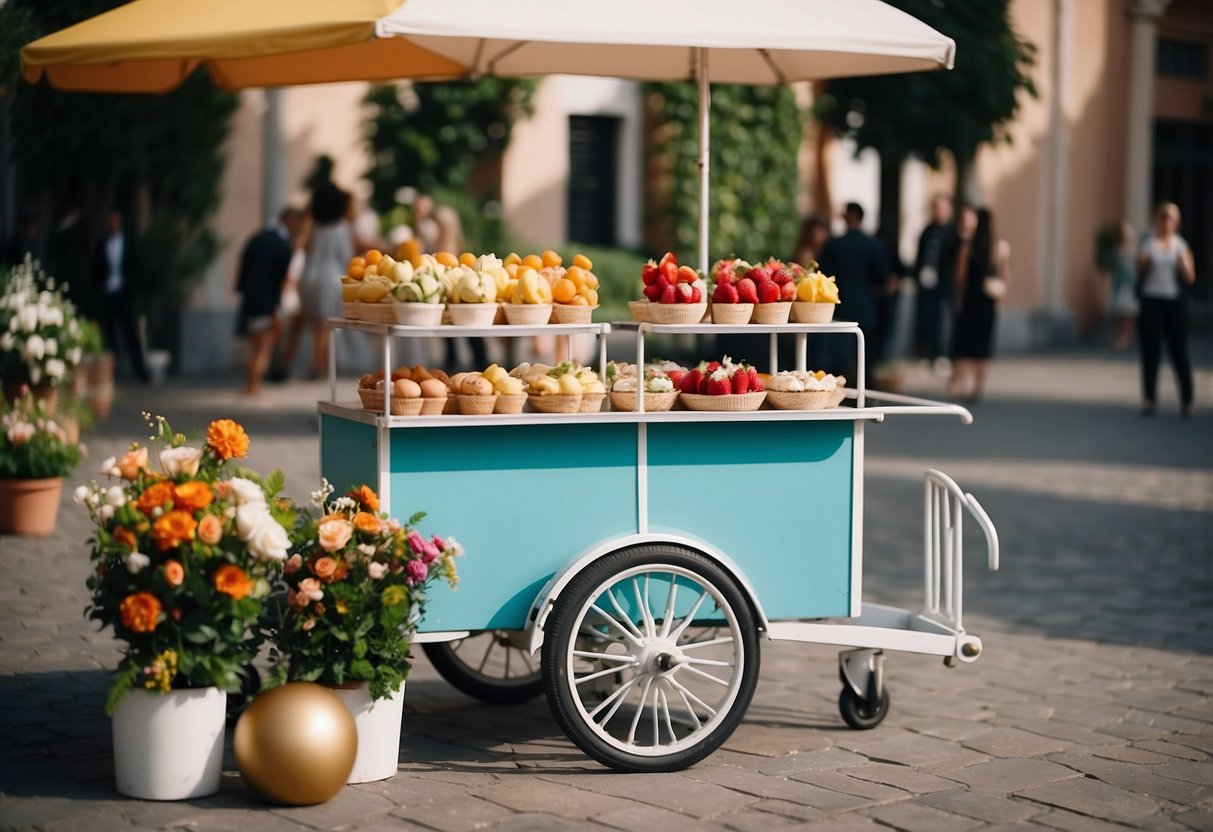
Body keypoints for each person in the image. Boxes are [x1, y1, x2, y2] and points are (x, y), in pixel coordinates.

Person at [278, 184, 356, 379]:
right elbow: (346, 256)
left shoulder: (313, 226)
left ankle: (285, 363)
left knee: (304, 321)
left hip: (308, 278)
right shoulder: (342, 228)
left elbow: (303, 248)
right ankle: (319, 365)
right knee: (324, 326)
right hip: (330, 279)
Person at [235, 207, 303, 396]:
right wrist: (278, 306)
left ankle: (250, 384)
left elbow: (243, 267)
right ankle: (254, 386)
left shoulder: (257, 238)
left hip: (250, 300)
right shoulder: (282, 246)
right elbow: (282, 280)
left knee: (253, 346)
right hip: (269, 302)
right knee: (263, 348)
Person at [1136, 202, 1196, 417]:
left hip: (1173, 302)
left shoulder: (1181, 245)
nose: (1166, 222)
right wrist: (1143, 263)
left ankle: (1187, 400)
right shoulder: (1148, 244)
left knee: (1179, 351)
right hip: (1152, 300)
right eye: (1162, 217)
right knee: (1151, 350)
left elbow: (1190, 277)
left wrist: (1182, 264)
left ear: (1176, 222)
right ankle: (1149, 399)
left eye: (1170, 218)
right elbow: (1138, 270)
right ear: (1157, 219)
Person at [946, 206, 1010, 403]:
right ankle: (978, 388)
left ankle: (960, 384)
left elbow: (960, 277)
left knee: (964, 344)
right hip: (988, 301)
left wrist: (958, 298)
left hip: (970, 300)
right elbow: (1005, 277)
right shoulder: (1000, 247)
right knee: (983, 346)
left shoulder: (968, 245)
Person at [818, 202, 886, 380]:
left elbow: (822, 274)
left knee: (839, 357)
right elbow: (882, 277)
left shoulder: (834, 245)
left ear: (850, 216)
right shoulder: (873, 245)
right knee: (865, 357)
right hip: (865, 306)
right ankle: (865, 395)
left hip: (839, 306)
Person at [90, 210, 149, 383]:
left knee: (131, 334)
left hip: (124, 296)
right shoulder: (102, 244)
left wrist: (133, 293)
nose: (112, 224)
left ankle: (140, 371)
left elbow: (135, 268)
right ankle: (111, 374)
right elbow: (97, 270)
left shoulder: (129, 242)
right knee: (109, 337)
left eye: (115, 221)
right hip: (108, 294)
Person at [913, 195, 954, 368]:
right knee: (927, 318)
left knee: (944, 319)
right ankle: (928, 353)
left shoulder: (952, 231)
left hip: (945, 283)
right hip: (926, 281)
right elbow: (920, 256)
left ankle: (943, 354)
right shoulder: (927, 230)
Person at [1108, 220, 1138, 351]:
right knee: (1120, 313)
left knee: (1129, 314)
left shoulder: (1134, 250)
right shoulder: (1117, 250)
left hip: (1131, 285)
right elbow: (1114, 267)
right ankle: (1119, 338)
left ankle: (1127, 338)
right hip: (1121, 285)